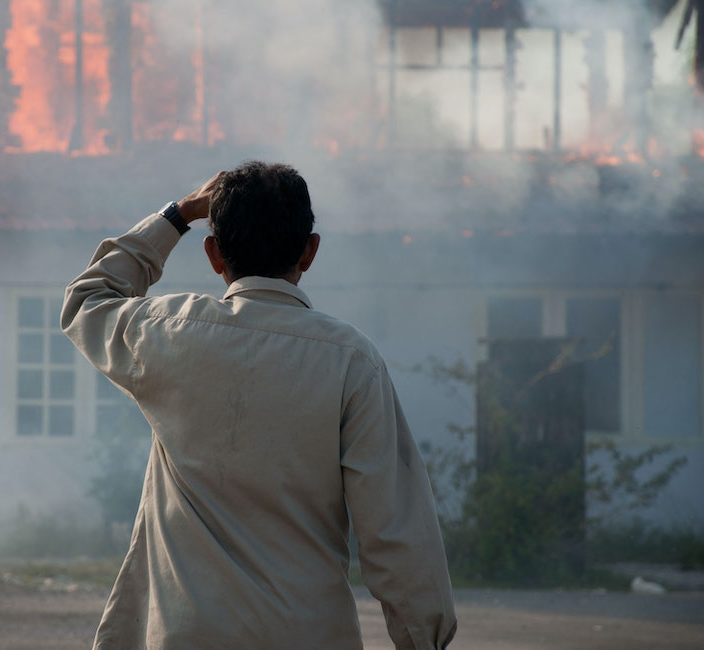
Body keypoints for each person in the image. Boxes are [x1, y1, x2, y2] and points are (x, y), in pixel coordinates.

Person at [62, 161, 457, 649]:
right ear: (309, 251)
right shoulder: (350, 360)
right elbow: (396, 529)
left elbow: (89, 300)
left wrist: (179, 214)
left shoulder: (170, 333)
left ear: (214, 254)